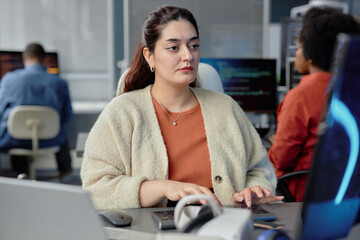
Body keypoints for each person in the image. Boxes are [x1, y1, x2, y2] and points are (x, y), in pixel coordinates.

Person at [81, 5, 283, 209]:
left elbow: (259, 170)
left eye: (194, 45)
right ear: (149, 56)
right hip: (152, 231)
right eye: (174, 47)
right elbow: (95, 189)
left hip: (223, 226)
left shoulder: (226, 108)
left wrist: (255, 189)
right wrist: (162, 187)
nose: (188, 55)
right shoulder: (122, 112)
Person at [267, 7, 360, 202]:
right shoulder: (352, 90)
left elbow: (282, 159)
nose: (297, 52)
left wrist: (273, 145)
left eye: (298, 46)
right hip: (347, 193)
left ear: (309, 53)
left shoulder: (300, 96)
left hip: (304, 196)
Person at [0, 43, 73, 178]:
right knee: (63, 133)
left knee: (11, 132)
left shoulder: (8, 80)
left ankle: (22, 174)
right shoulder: (60, 83)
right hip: (50, 139)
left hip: (14, 139)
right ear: (44, 59)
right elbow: (67, 117)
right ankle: (65, 173)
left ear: (24, 58)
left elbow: (1, 111)